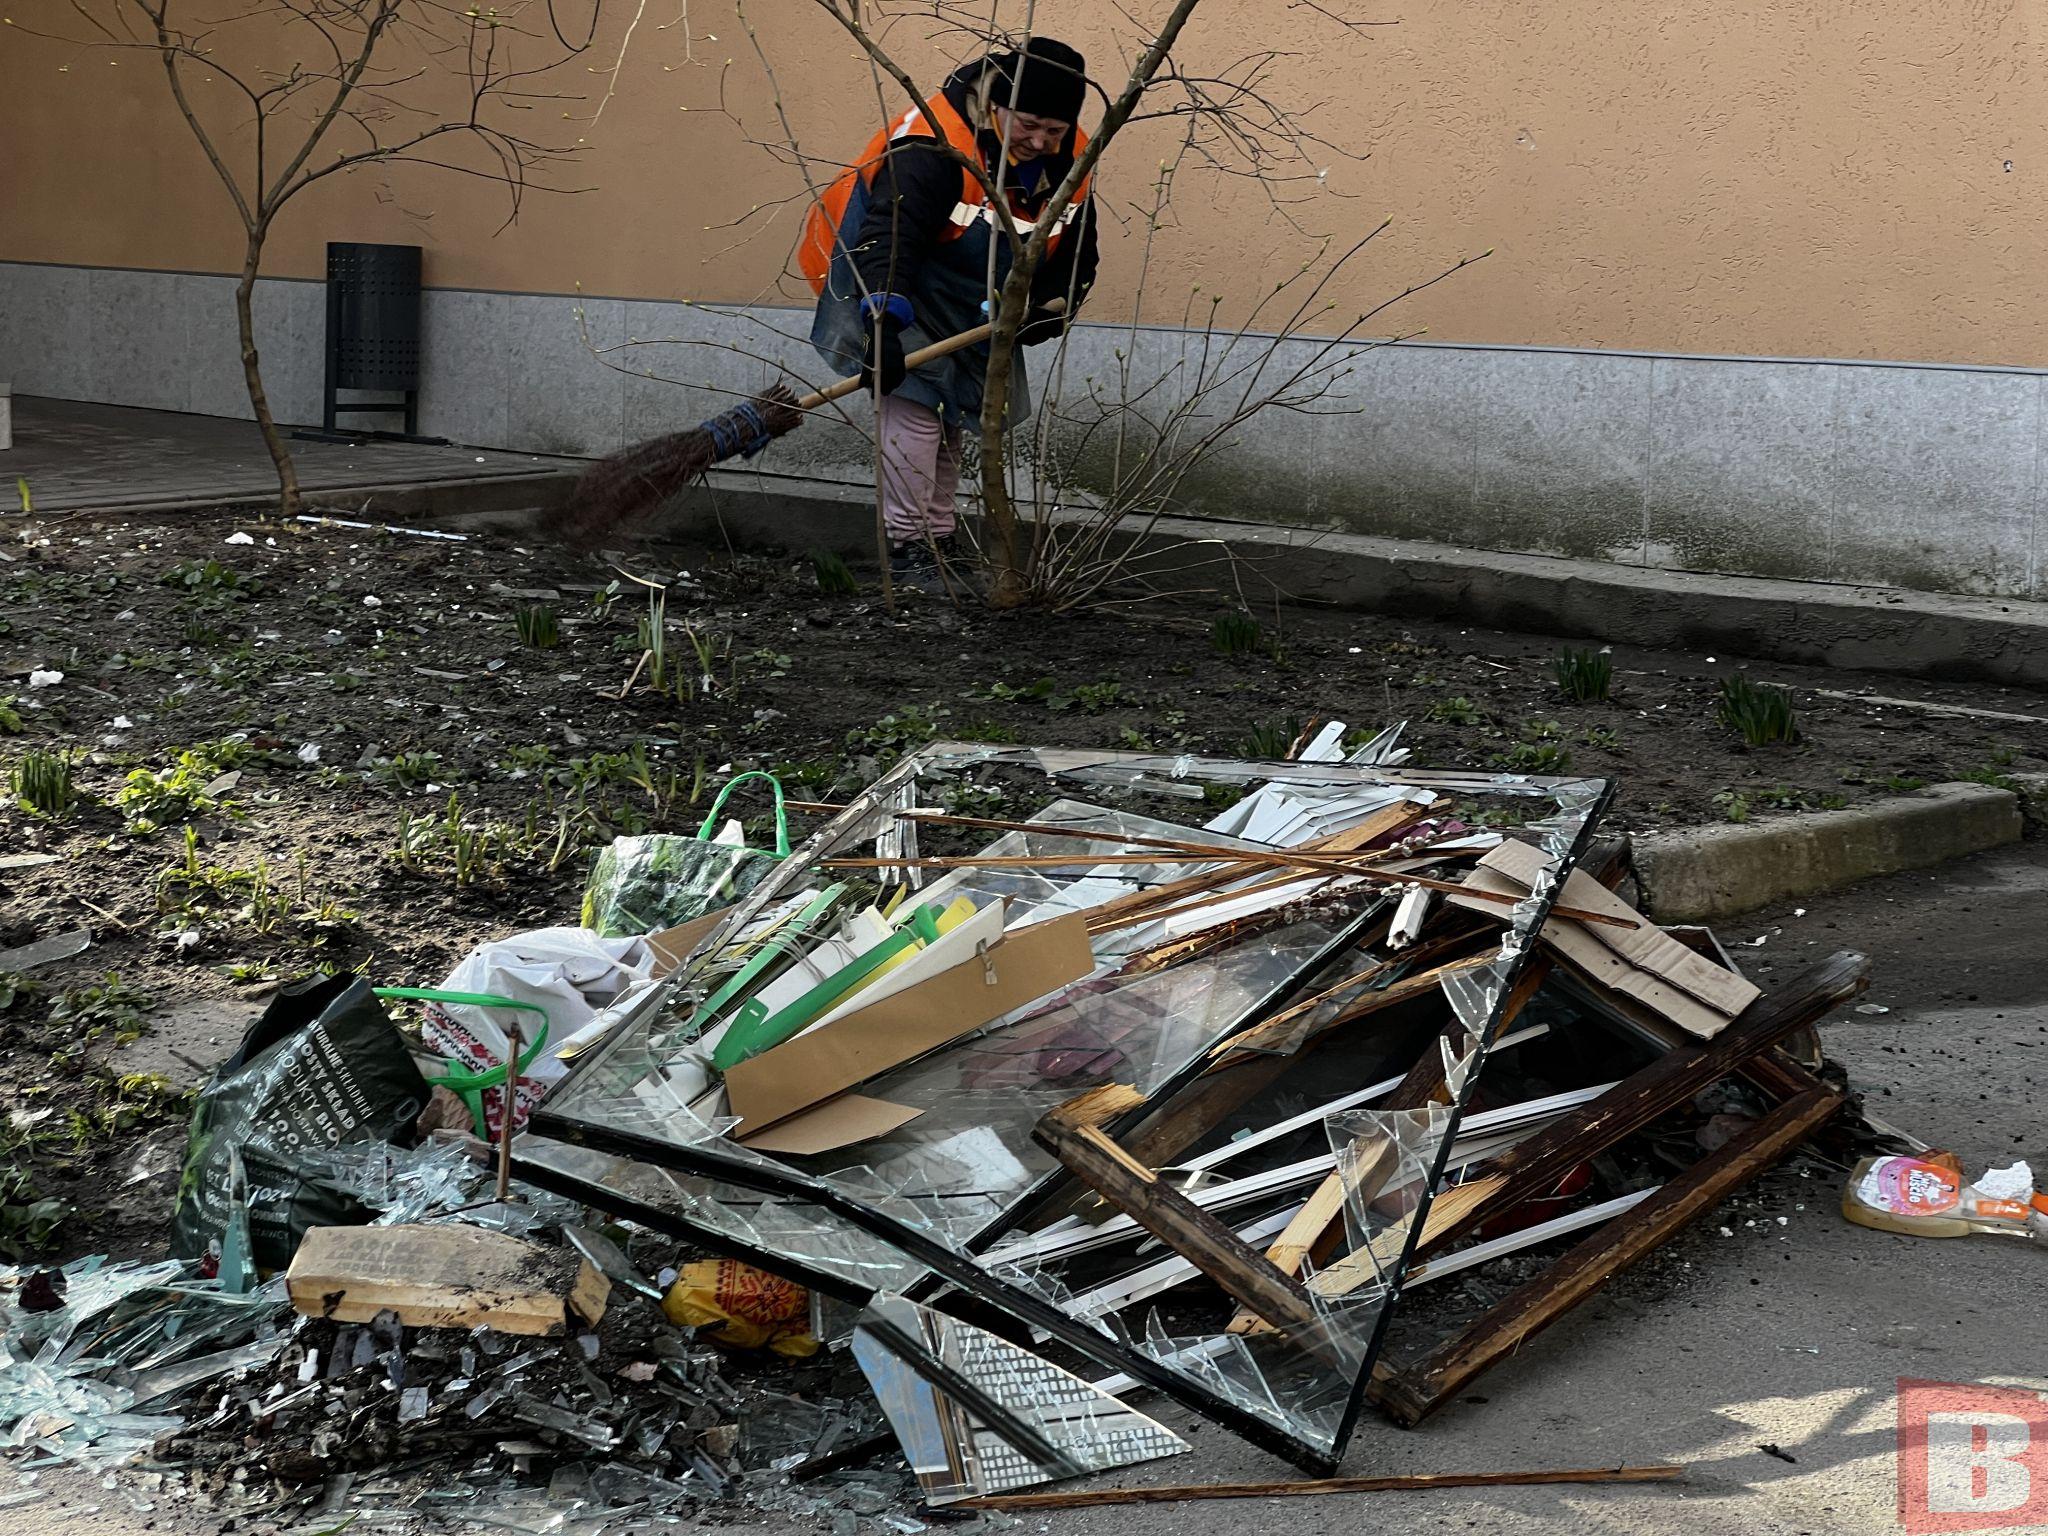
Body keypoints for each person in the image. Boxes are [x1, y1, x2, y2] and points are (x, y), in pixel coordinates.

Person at [800, 40, 1099, 589]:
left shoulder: (1068, 153)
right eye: (1029, 124)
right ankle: (906, 544)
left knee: (956, 414)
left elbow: (1077, 239)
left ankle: (937, 538)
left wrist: (1050, 307)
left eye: (1054, 131)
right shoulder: (931, 145)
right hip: (881, 273)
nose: (1040, 142)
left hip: (968, 288)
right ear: (995, 106)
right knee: (915, 409)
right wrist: (883, 324)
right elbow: (892, 234)